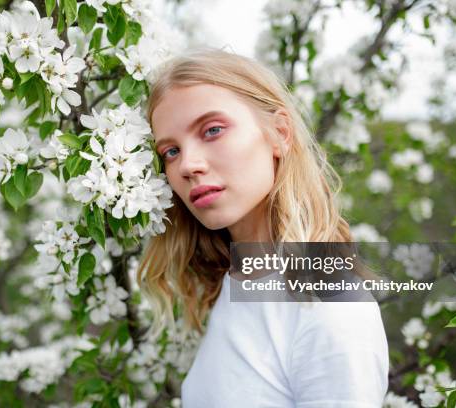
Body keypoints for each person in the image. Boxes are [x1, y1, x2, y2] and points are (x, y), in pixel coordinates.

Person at [136, 48, 389, 407]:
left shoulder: (329, 306)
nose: (188, 165)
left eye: (212, 130)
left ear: (279, 133)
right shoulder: (231, 282)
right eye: (171, 152)